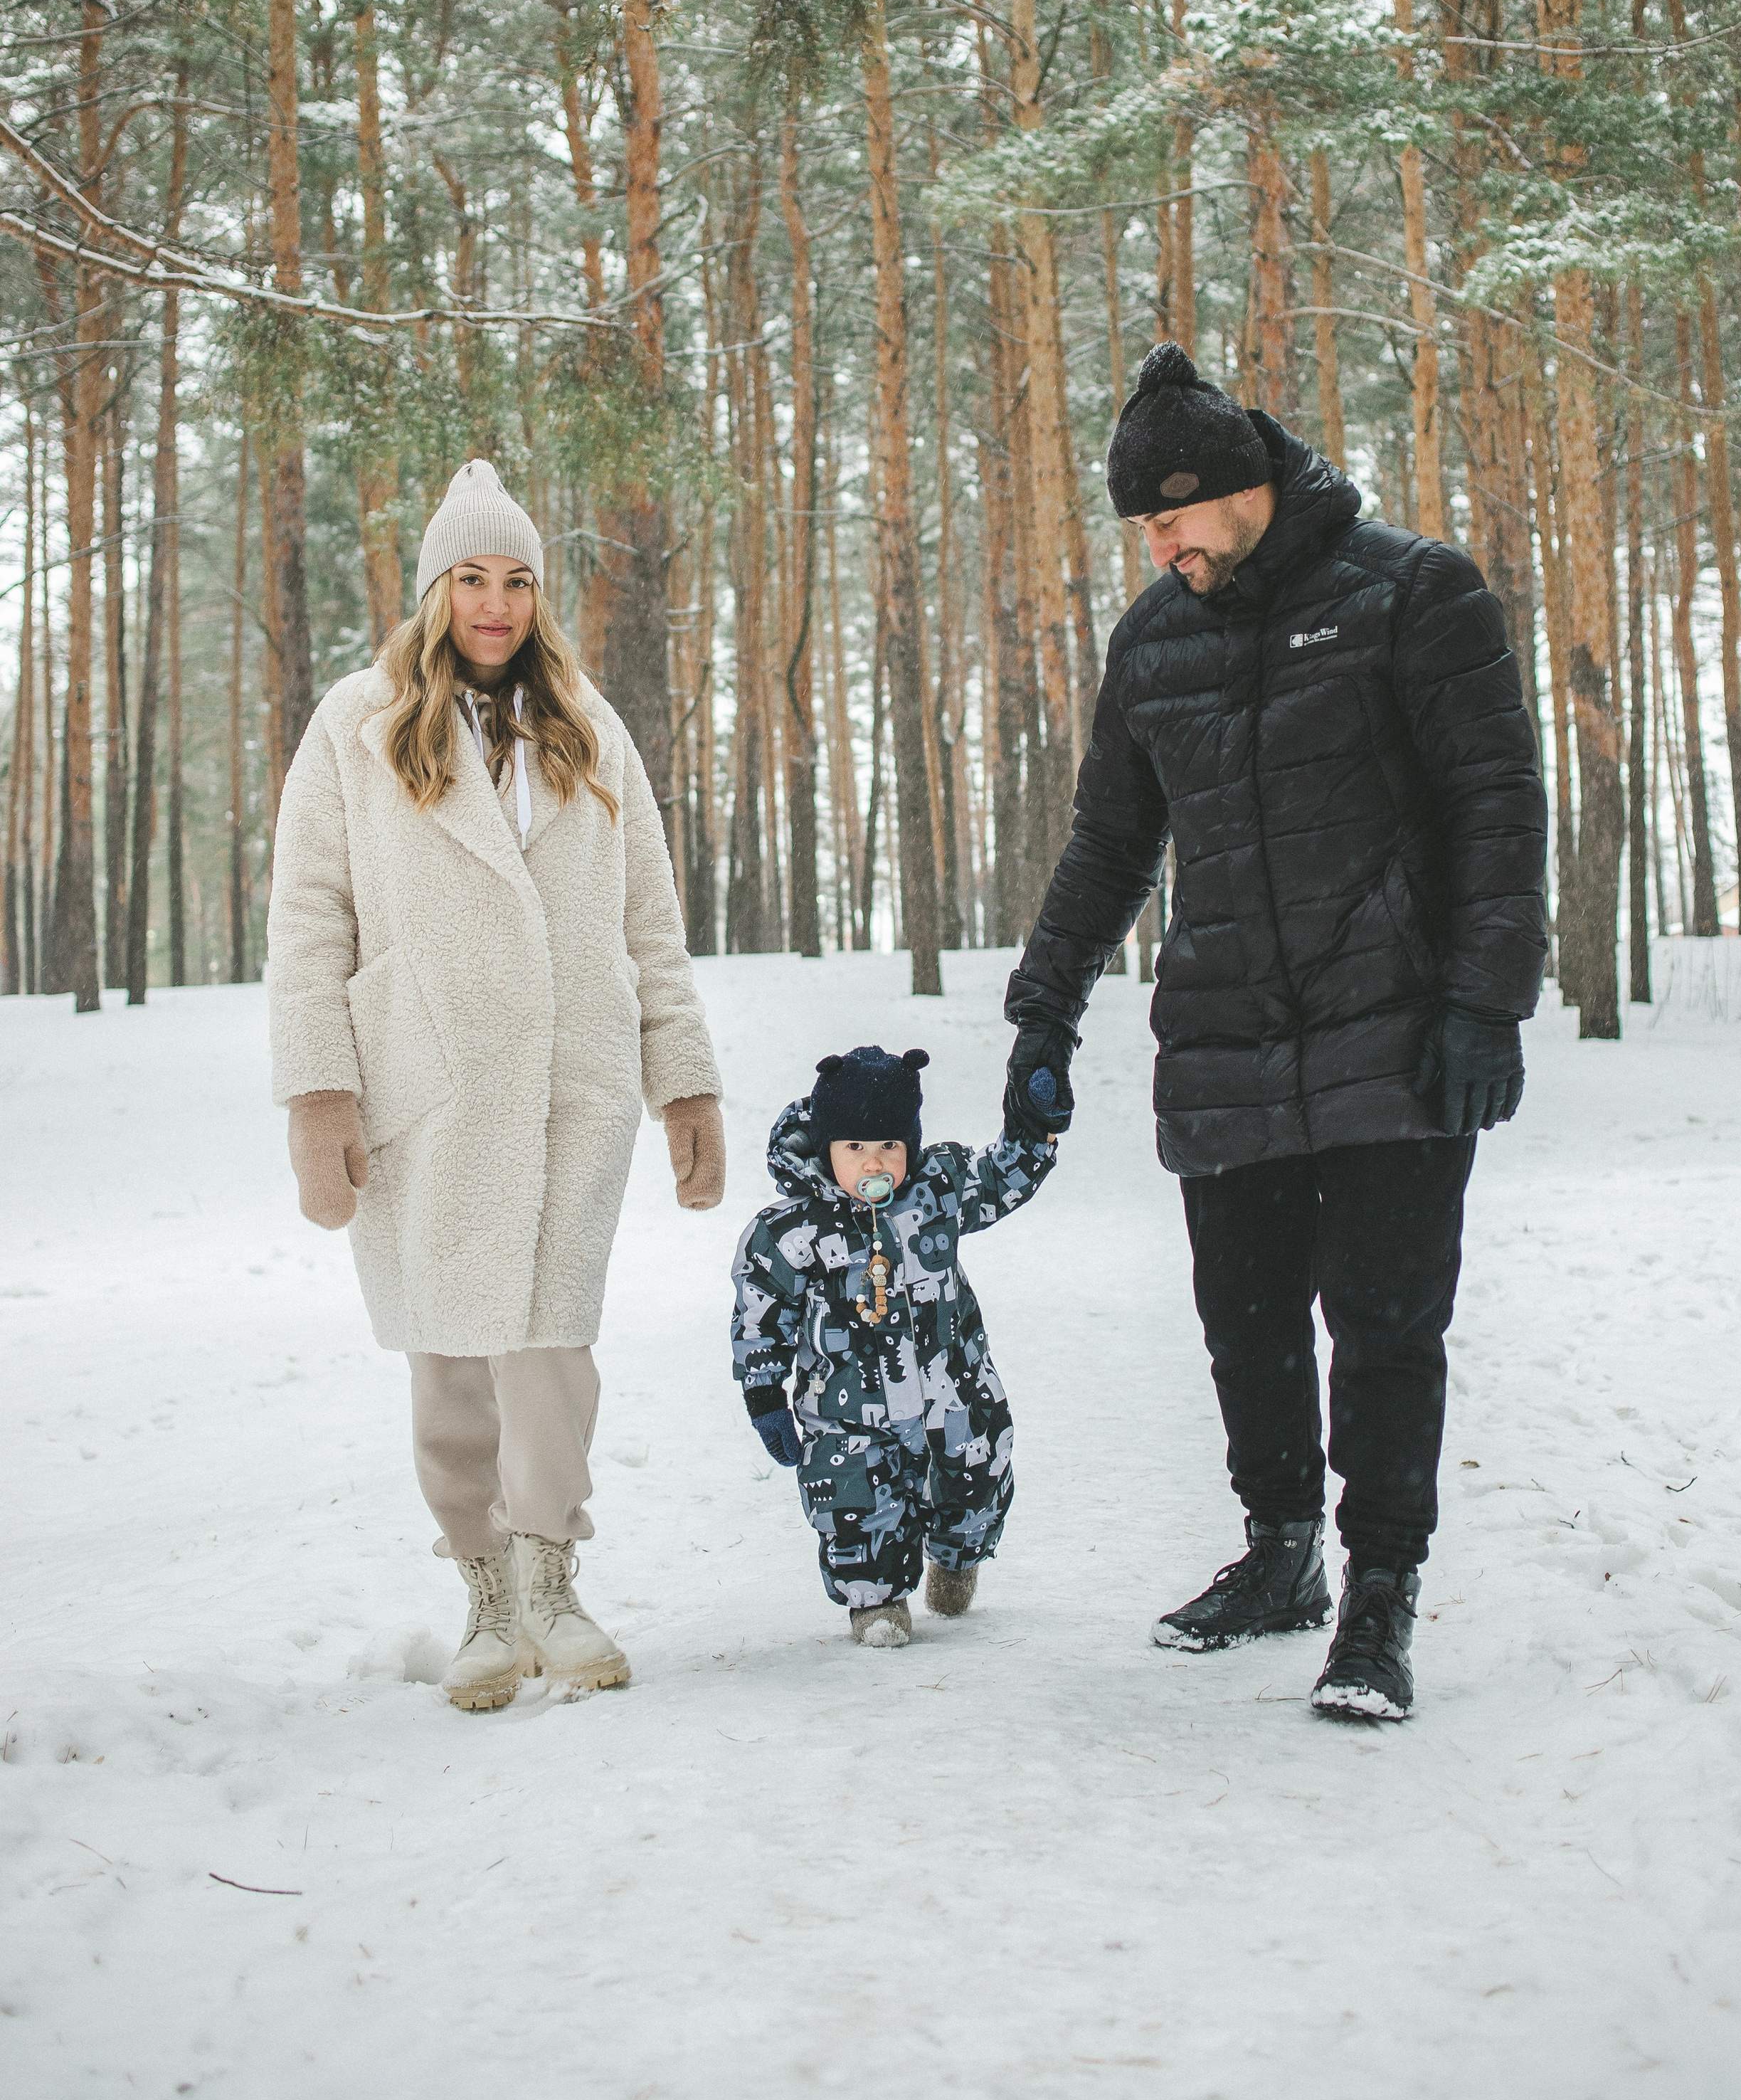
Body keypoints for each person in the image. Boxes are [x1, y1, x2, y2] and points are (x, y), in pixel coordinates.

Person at [1002, 343, 1546, 1721]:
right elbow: (1109, 842)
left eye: (1167, 514)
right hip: (1225, 1030)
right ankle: (1279, 1555)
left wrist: (1487, 1000)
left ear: (1235, 486)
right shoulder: (1153, 639)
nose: (1155, 542)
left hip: (1393, 1031)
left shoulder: (1411, 593)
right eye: (1139, 523)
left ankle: (1376, 1599)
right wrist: (1042, 1008)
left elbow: (1496, 804)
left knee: (1381, 1326)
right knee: (1242, 1322)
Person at [266, 458, 724, 1712]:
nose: (497, 603)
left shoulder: (587, 720)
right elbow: (308, 916)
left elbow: (650, 917)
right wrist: (320, 1096)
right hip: (427, 1078)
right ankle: (481, 1592)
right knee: (450, 1350)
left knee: (551, 1346)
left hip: (573, 1078)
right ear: (433, 591)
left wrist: (684, 1086)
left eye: (518, 580)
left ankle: (550, 1580)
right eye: (472, 578)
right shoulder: (356, 726)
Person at [731, 1045, 1057, 1647]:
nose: (873, 1162)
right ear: (828, 1149)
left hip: (955, 1390)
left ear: (911, 1147)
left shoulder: (938, 1193)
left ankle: (957, 1560)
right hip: (849, 1411)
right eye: (854, 1148)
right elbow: (761, 1313)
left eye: (890, 1147)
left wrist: (1036, 1123)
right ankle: (876, 1601)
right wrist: (764, 1393)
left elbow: (1004, 1173)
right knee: (855, 1499)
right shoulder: (793, 1229)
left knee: (976, 1475)